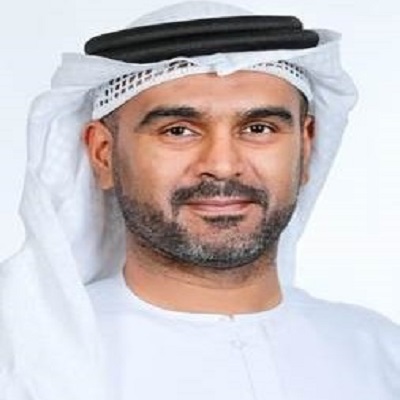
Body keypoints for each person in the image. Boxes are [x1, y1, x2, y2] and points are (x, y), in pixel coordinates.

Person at [1, 1, 399, 399]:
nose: (223, 166)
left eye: (259, 128)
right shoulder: (21, 360)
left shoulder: (382, 354)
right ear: (103, 154)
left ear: (305, 147)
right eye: (178, 131)